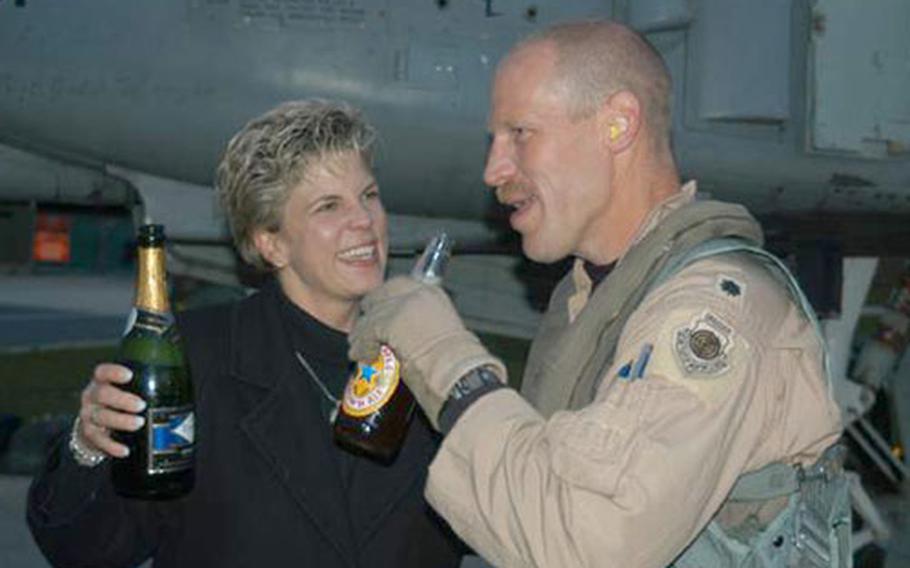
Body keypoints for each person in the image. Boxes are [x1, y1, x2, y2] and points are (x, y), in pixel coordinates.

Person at [349, 21, 847, 567]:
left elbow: (586, 544)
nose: (494, 170)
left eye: (520, 133)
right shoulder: (590, 299)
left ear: (618, 125)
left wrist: (450, 366)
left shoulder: (712, 311)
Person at [27, 100, 464, 567]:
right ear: (271, 243)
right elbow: (88, 551)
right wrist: (89, 447)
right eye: (328, 206)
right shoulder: (196, 360)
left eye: (369, 195)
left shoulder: (429, 352)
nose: (364, 221)